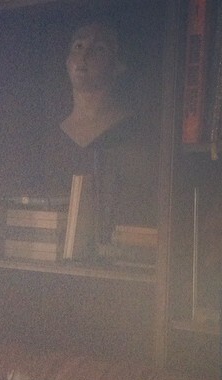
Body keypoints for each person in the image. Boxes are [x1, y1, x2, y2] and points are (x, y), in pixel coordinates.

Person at [45, 20, 158, 244]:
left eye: (99, 49)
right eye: (78, 46)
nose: (84, 56)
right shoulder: (52, 139)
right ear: (67, 61)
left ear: (118, 66)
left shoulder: (137, 134)